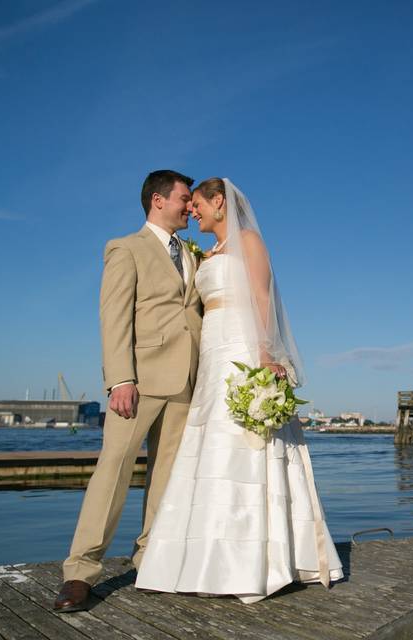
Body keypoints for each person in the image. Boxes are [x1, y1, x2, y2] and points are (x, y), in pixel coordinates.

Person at [135, 177, 343, 602]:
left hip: (243, 348)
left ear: (219, 203)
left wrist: (266, 354)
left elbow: (262, 297)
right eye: (187, 204)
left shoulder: (249, 241)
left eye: (197, 204)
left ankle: (258, 560)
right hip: (212, 352)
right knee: (210, 441)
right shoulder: (205, 254)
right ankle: (206, 558)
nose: (192, 211)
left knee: (245, 442)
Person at [53, 170, 203, 613]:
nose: (189, 207)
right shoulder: (126, 247)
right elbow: (113, 315)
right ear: (158, 200)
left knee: (167, 478)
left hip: (186, 383)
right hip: (139, 382)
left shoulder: (192, 254)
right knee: (113, 469)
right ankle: (80, 571)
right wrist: (120, 379)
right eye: (183, 199)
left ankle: (151, 560)